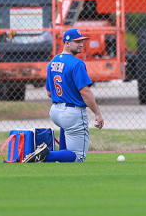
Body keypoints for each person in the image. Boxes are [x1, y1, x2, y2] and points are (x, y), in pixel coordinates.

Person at [24, 28, 105, 163]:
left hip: (56, 112)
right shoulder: (77, 63)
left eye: (82, 41)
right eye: (77, 41)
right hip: (72, 113)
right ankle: (45, 155)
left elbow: (49, 92)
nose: (81, 44)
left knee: (67, 144)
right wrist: (97, 113)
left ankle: (55, 157)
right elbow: (85, 92)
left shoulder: (53, 62)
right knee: (78, 156)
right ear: (67, 43)